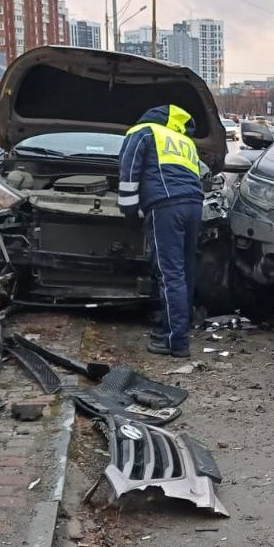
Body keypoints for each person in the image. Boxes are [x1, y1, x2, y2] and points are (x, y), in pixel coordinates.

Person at [118, 104, 203, 358]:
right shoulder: (184, 140)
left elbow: (129, 169)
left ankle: (175, 341)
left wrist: (129, 211)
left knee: (169, 273)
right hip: (194, 205)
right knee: (185, 271)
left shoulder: (143, 131)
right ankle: (179, 328)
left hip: (165, 206)